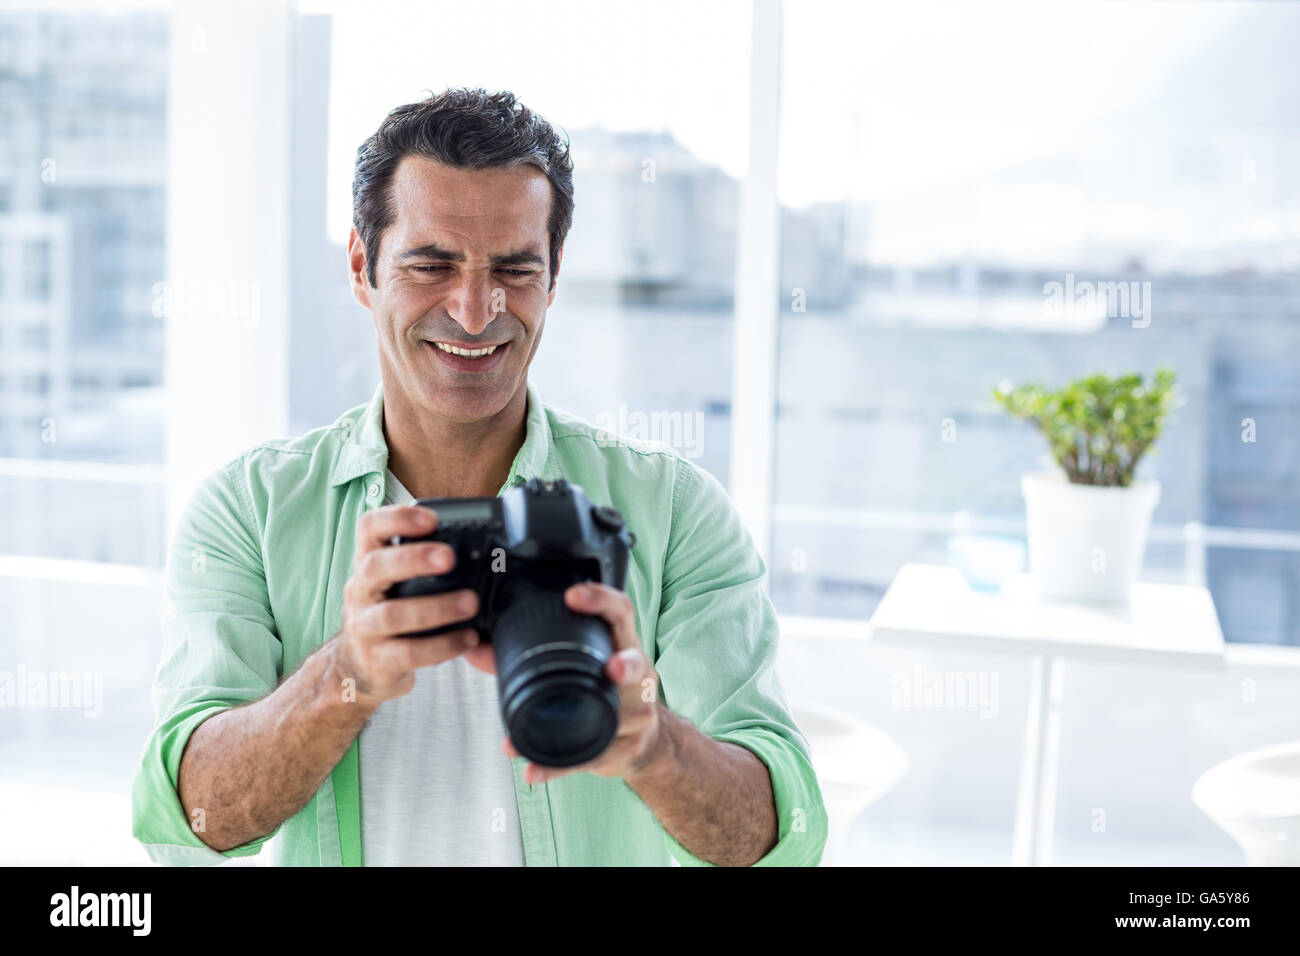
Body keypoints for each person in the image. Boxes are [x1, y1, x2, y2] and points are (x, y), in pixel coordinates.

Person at [131, 87, 826, 866]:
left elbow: (783, 839)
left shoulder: (672, 509)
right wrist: (345, 676)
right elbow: (188, 822)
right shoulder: (249, 511)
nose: (473, 310)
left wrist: (652, 745)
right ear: (364, 268)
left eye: (514, 268)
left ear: (554, 276)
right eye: (431, 264)